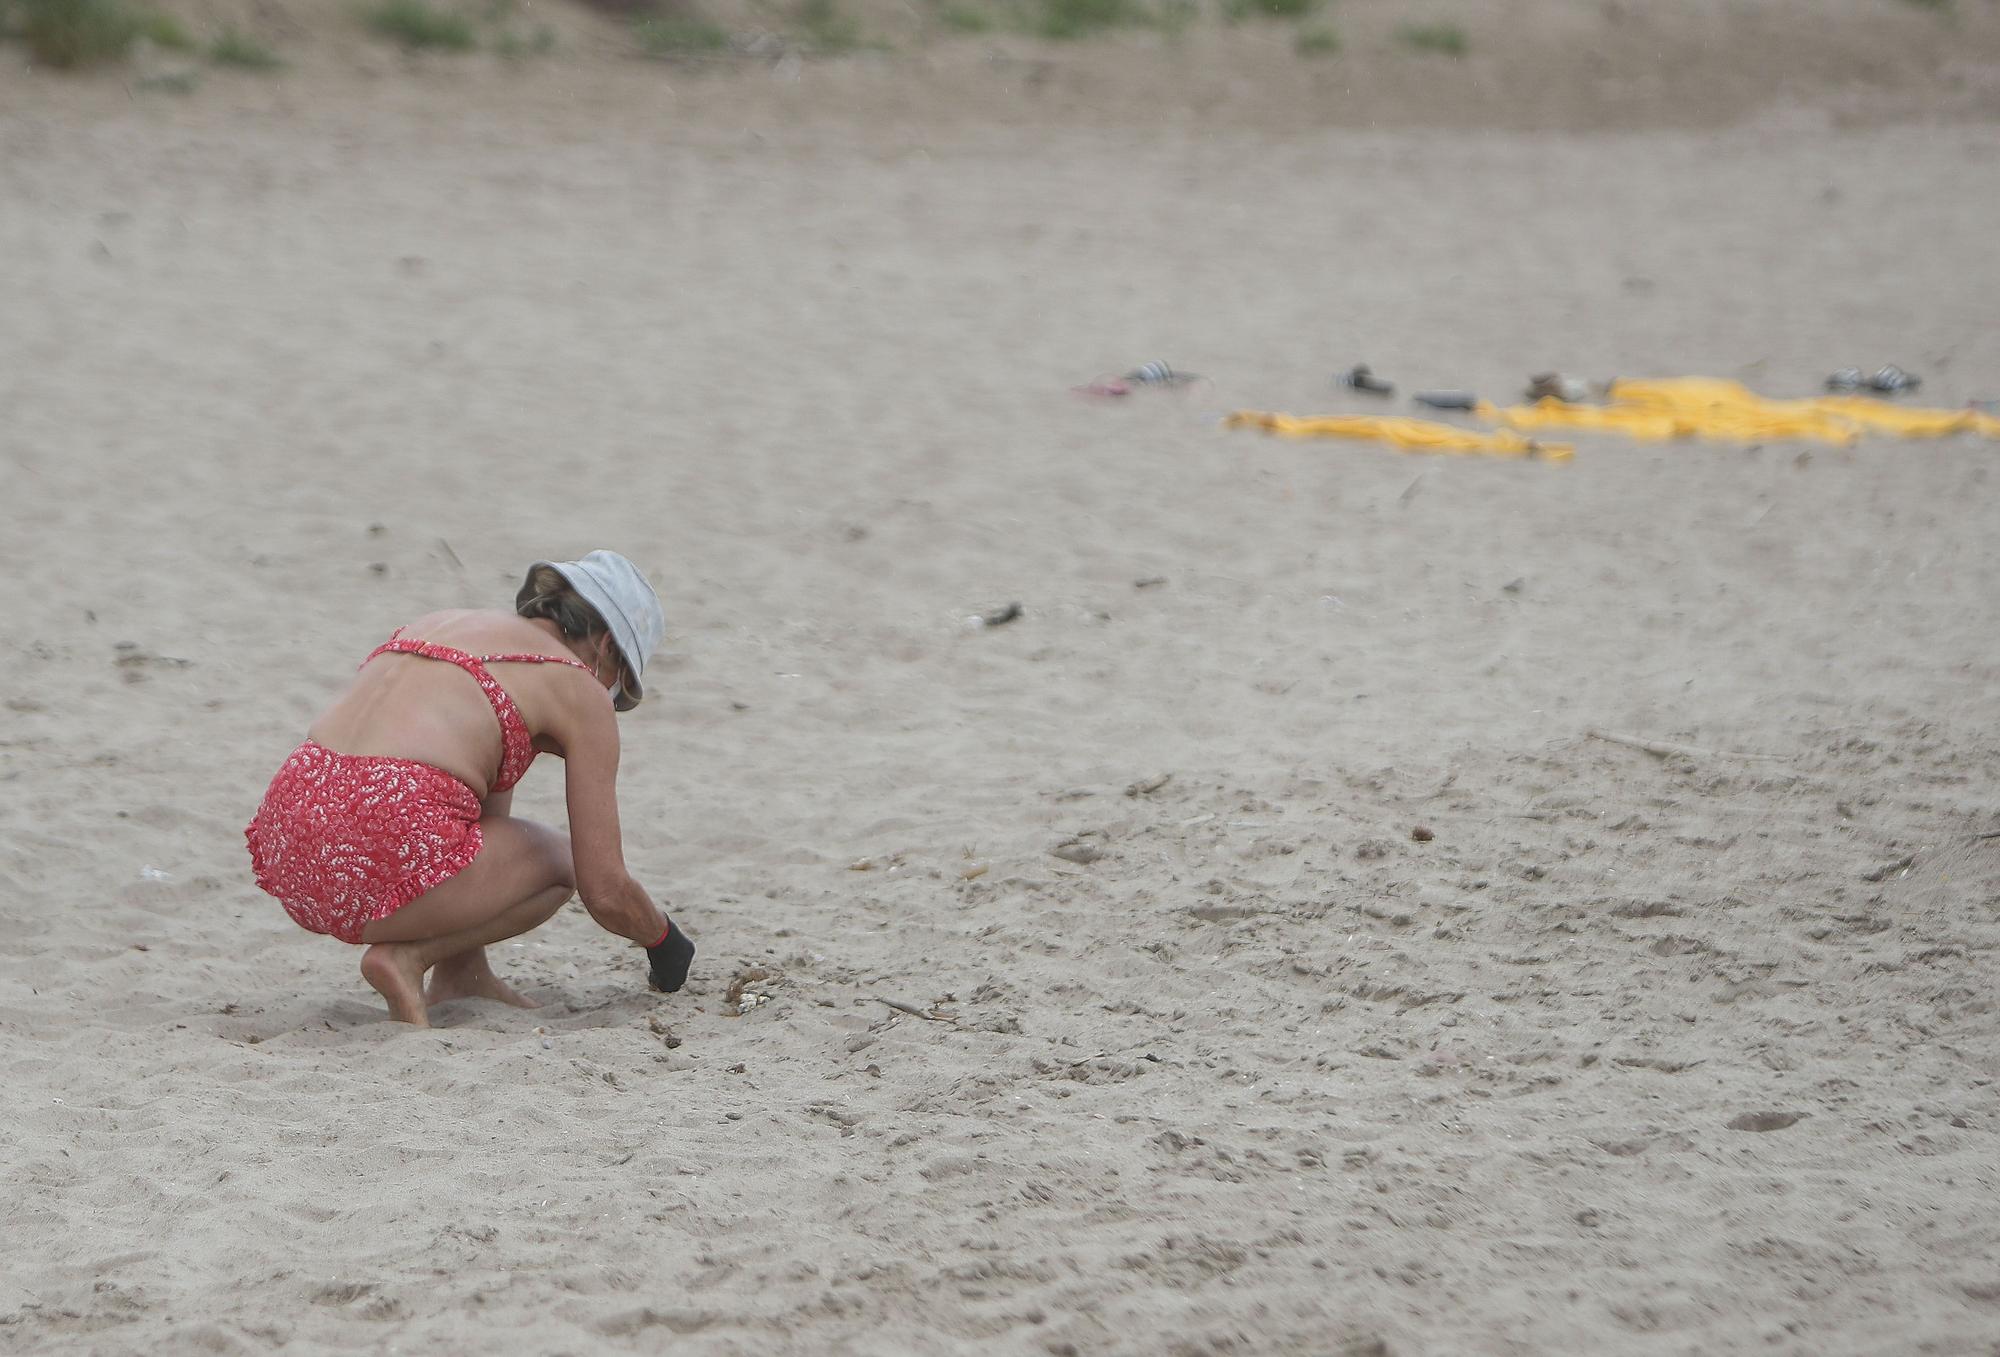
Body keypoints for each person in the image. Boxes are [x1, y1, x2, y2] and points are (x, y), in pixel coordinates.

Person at [244, 550, 695, 1026]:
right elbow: (603, 888)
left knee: (466, 829)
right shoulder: (576, 685)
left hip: (289, 838)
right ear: (606, 645)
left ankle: (462, 976)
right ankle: (410, 957)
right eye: (617, 684)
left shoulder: (442, 624)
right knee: (561, 863)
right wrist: (663, 942)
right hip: (380, 832)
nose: (608, 695)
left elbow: (476, 827)